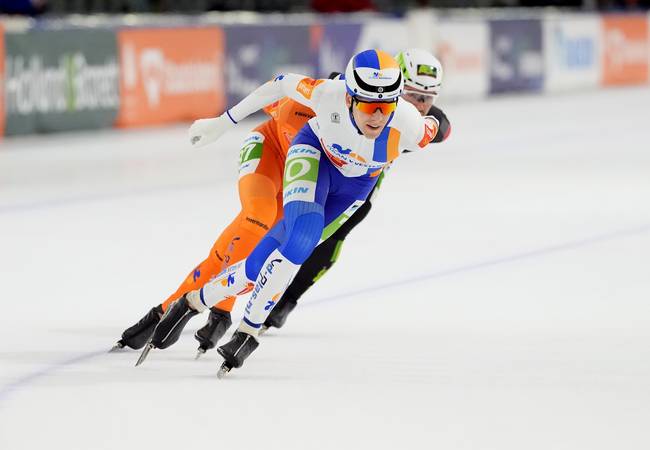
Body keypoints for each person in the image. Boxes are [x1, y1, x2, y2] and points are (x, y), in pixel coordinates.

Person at [115, 49, 450, 364]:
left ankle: (209, 304)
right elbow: (277, 88)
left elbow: (440, 127)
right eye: (367, 104)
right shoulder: (321, 97)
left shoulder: (409, 125)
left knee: (286, 248)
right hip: (277, 150)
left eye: (390, 104)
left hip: (341, 178)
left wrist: (289, 298)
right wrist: (222, 122)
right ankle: (186, 307)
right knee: (256, 219)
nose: (377, 115)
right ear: (348, 96)